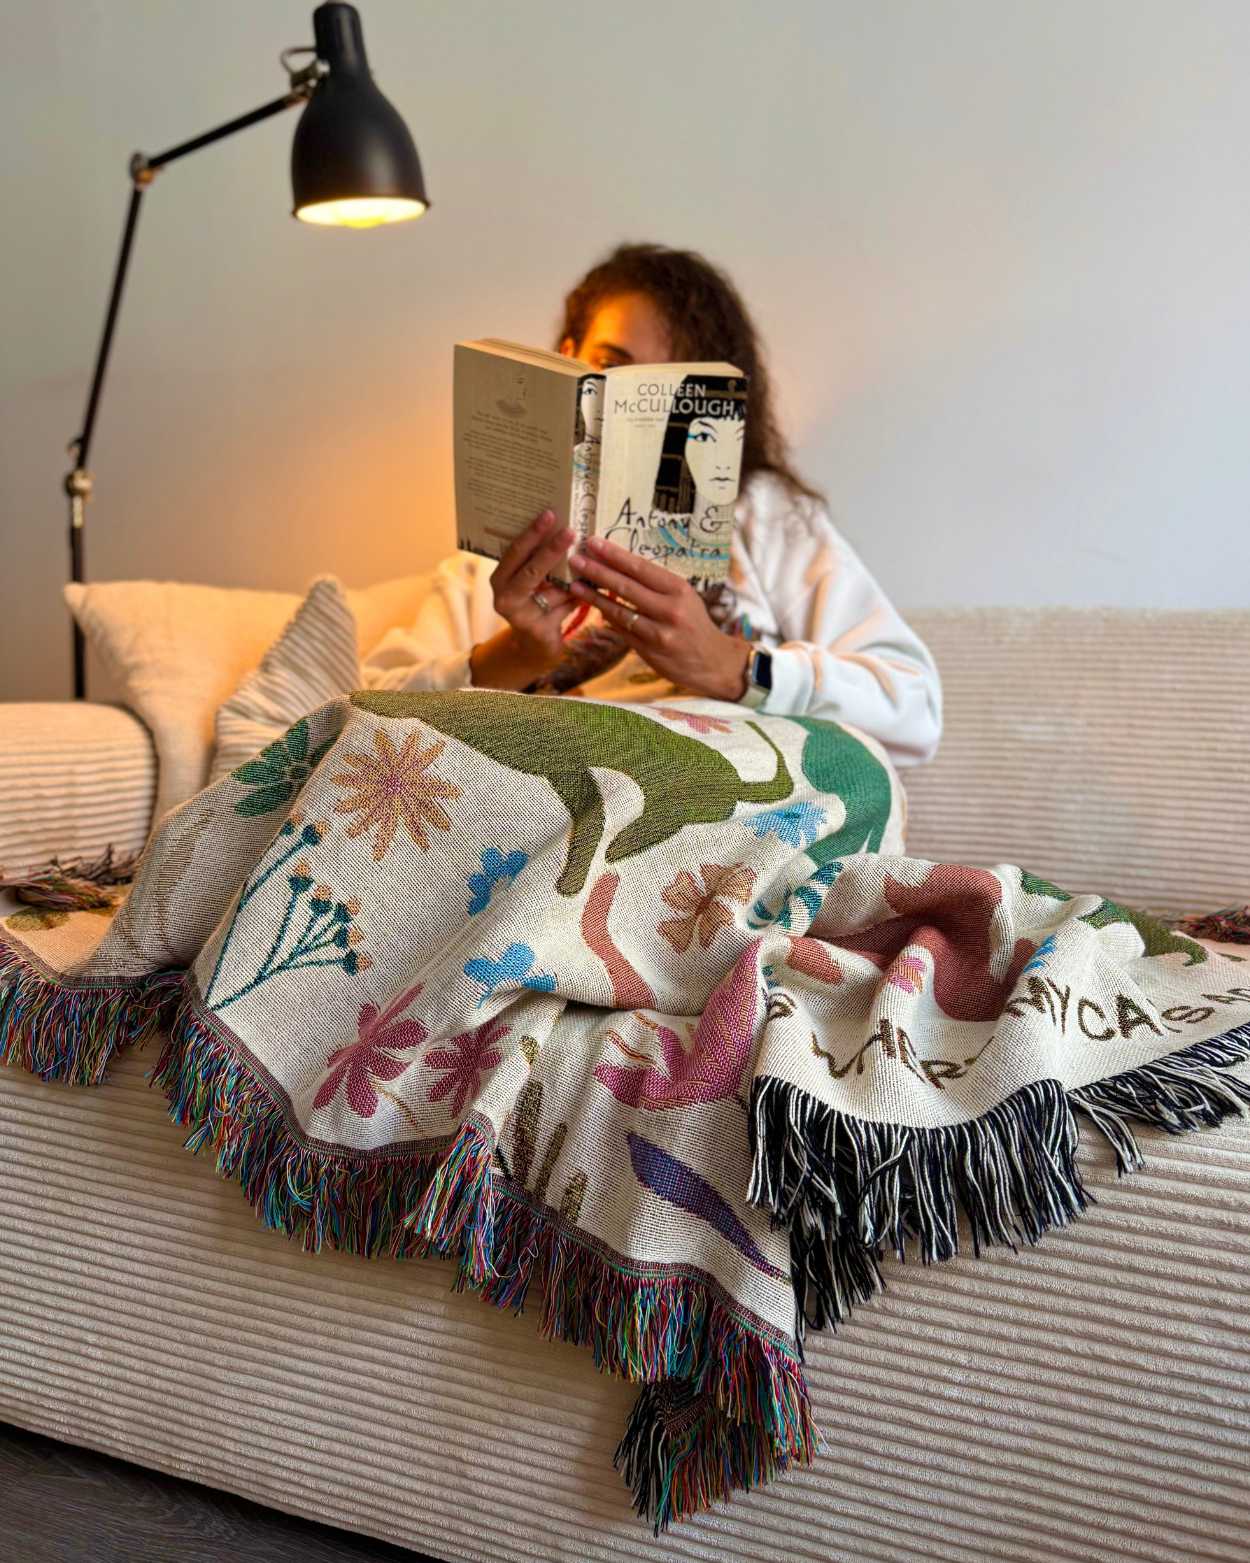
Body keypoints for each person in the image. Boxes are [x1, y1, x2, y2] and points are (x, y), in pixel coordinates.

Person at [364, 243, 942, 768]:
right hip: (563, 798)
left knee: (857, 774)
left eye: (666, 385)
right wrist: (514, 654)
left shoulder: (764, 517)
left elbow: (914, 710)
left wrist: (735, 668)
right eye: (612, 368)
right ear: (569, 357)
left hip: (736, 794)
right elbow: (366, 716)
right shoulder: (499, 557)